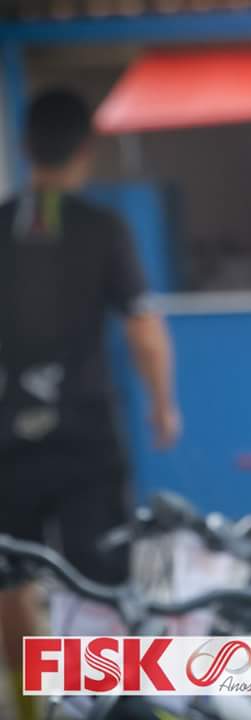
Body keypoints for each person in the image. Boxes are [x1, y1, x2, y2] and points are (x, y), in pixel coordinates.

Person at [0, 89, 180, 720]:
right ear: (86, 152)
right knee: (99, 590)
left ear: (24, 148)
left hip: (5, 445)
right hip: (83, 442)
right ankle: (98, 705)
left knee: (9, 581)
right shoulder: (103, 228)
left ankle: (33, 707)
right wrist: (163, 406)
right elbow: (143, 328)